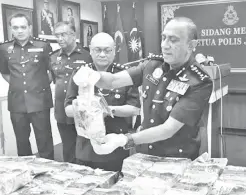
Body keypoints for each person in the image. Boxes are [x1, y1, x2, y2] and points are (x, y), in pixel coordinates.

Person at [74, 17, 213, 160]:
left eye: (173, 40)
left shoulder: (199, 81)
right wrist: (93, 76)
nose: (165, 45)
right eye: (163, 38)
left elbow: (168, 129)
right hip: (145, 151)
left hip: (176, 157)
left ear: (191, 45)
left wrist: (124, 140)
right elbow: (113, 80)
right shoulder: (152, 65)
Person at [64, 33, 140, 171]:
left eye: (107, 50)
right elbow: (68, 109)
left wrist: (108, 110)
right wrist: (86, 110)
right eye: (98, 50)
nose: (102, 54)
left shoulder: (123, 75)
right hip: (86, 145)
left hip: (115, 143)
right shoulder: (81, 74)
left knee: (115, 186)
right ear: (91, 51)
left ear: (115, 50)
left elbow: (134, 109)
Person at [0, 13, 54, 159]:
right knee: (22, 142)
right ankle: (25, 172)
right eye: (15, 27)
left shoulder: (43, 46)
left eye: (23, 27)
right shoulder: (5, 48)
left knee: (44, 142)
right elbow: (4, 72)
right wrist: (19, 85)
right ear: (11, 29)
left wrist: (37, 85)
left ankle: (49, 172)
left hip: (40, 101)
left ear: (30, 28)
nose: (19, 30)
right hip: (17, 103)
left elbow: (52, 71)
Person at [49, 21, 92, 163]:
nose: (60, 38)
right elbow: (55, 80)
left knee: (85, 146)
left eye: (63, 34)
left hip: (82, 109)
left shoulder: (87, 56)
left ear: (73, 35)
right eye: (57, 35)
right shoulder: (53, 57)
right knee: (67, 147)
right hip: (62, 110)